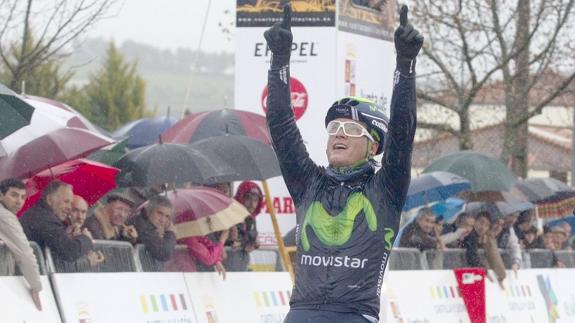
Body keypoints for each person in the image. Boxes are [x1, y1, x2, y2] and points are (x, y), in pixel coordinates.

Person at [264, 4, 422, 322]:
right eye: (334, 128)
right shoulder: (309, 182)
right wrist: (278, 63)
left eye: (352, 130)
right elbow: (281, 126)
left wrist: (405, 68)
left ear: (373, 145)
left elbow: (403, 134)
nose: (340, 134)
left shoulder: (385, 186)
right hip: (302, 313)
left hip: (353, 314)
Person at [20, 180, 94, 262]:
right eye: (66, 202)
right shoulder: (45, 219)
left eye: (70, 203)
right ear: (49, 200)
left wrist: (66, 235)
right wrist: (85, 238)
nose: (69, 207)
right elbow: (70, 252)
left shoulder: (40, 213)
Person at [0, 178, 43, 310]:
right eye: (14, 195)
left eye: (23, 197)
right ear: (1, 195)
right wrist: (36, 286)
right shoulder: (5, 216)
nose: (19, 201)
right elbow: (24, 253)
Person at [224, 181, 263, 271]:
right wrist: (243, 242)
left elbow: (248, 239)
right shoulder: (229, 213)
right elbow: (231, 241)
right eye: (248, 199)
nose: (252, 204)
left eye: (256, 200)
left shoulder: (250, 218)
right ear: (241, 197)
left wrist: (254, 243)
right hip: (226, 266)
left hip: (241, 264)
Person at [462, 212, 506, 286]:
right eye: (481, 222)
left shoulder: (484, 238)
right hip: (463, 272)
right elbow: (472, 255)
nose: (482, 227)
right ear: (475, 222)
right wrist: (484, 270)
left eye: (486, 225)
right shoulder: (470, 235)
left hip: (468, 273)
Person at [129, 195, 176, 262]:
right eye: (159, 213)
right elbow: (164, 253)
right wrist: (170, 233)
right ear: (149, 211)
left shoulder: (148, 225)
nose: (162, 220)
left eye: (167, 216)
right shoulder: (141, 225)